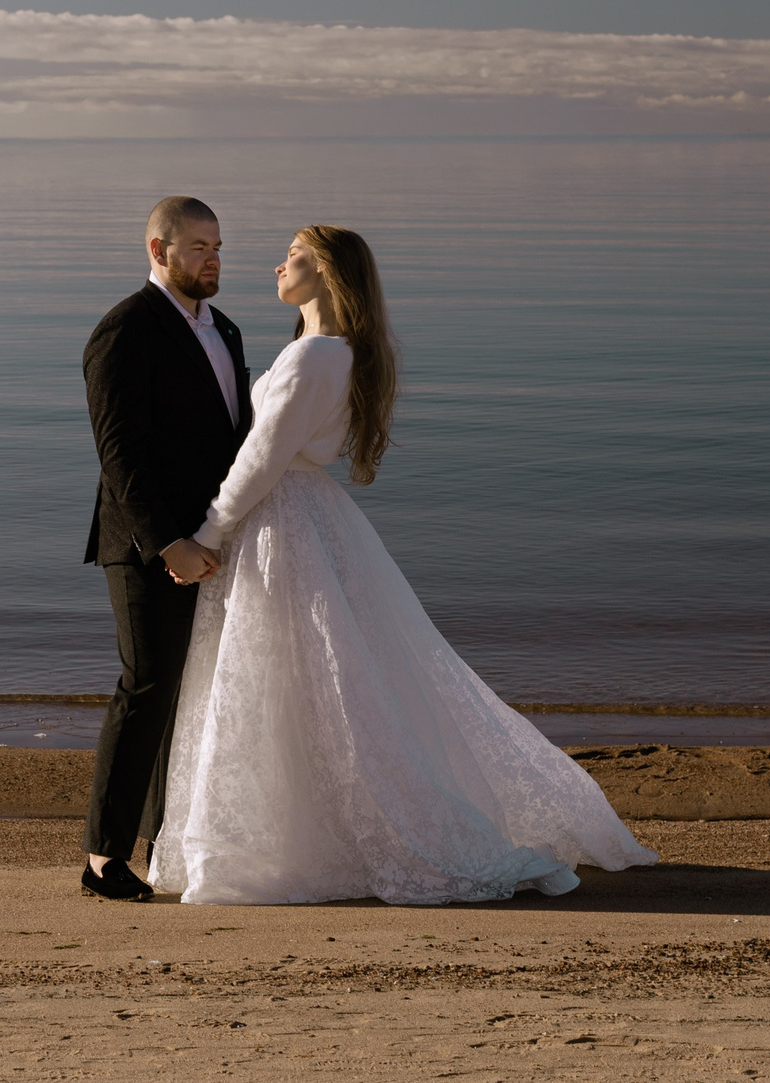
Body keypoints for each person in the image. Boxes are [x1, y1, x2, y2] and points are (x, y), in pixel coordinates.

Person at [148, 224, 655, 905]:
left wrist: (209, 531)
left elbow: (261, 460)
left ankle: (299, 839)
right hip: (312, 516)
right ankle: (306, 829)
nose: (277, 266)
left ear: (327, 272)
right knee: (317, 680)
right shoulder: (341, 352)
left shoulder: (310, 357)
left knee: (293, 678)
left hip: (284, 519)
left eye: (294, 257)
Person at [78, 195, 248, 901]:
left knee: (185, 691)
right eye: (198, 246)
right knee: (146, 685)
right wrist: (166, 542)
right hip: (145, 542)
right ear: (159, 249)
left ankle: (162, 843)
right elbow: (119, 454)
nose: (213, 259)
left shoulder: (225, 329)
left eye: (218, 246)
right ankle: (102, 858)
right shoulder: (125, 329)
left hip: (211, 539)